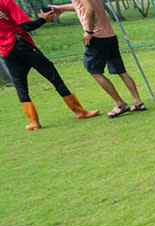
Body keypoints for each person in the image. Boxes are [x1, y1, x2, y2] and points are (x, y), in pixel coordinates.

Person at [1, 0, 98, 129]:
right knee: (52, 75)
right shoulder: (6, 1)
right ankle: (79, 112)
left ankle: (34, 122)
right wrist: (44, 19)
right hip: (21, 44)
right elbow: (25, 26)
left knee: (20, 85)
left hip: (7, 52)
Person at [49, 0, 146, 118]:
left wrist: (89, 31)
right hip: (109, 35)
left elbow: (89, 9)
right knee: (121, 71)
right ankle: (138, 102)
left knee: (95, 72)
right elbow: (82, 6)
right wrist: (62, 8)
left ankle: (120, 104)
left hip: (97, 37)